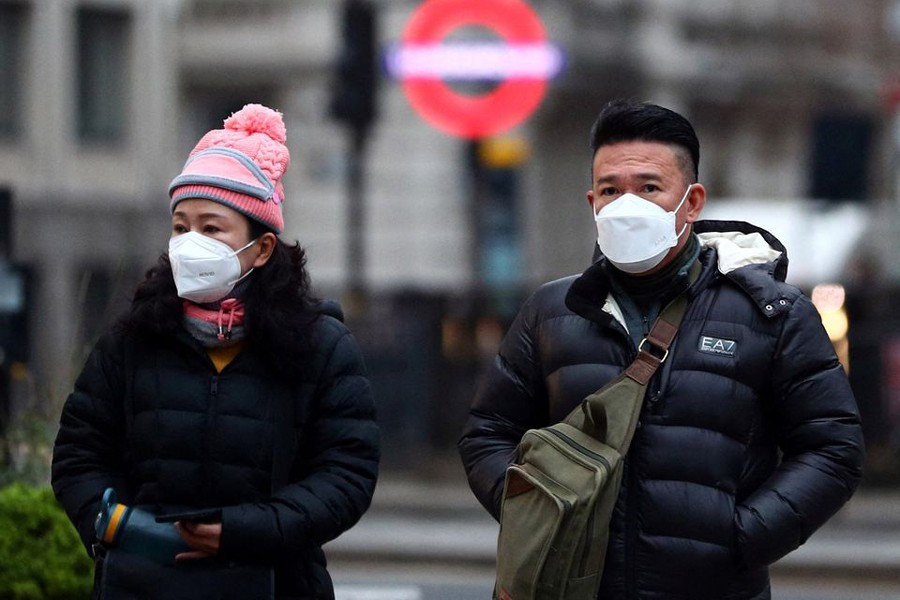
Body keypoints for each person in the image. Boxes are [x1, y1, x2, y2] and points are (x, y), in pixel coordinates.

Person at [458, 98, 864, 599]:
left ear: (691, 202)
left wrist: (740, 537)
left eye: (649, 187)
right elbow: (487, 433)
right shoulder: (552, 311)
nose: (628, 204)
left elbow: (831, 447)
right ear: (592, 204)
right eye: (611, 190)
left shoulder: (771, 314)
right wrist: (536, 512)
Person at [51, 104, 380, 599]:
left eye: (211, 228)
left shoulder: (319, 345)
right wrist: (118, 526)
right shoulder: (134, 336)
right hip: (143, 583)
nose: (189, 244)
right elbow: (79, 454)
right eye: (181, 227)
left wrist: (243, 531)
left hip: (277, 584)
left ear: (262, 248)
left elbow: (346, 474)